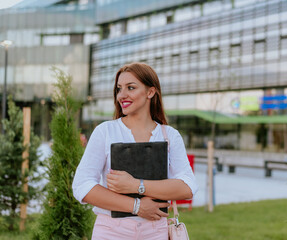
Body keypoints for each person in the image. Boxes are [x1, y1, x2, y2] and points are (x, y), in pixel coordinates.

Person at [72, 62, 198, 240]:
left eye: (130, 88)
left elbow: (188, 187)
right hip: (111, 232)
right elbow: (82, 186)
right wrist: (137, 206)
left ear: (150, 92)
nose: (121, 95)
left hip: (156, 232)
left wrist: (135, 185)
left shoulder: (170, 136)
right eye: (119, 89)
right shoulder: (105, 131)